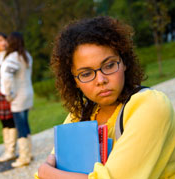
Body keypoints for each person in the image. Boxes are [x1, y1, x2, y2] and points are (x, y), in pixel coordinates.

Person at [37, 16, 175, 178]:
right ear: (74, 80)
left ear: (124, 62)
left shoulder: (151, 105)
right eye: (86, 73)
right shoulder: (80, 114)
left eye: (109, 65)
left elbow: (46, 172)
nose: (101, 80)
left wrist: (46, 172)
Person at [0, 32, 34, 167]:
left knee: (20, 126)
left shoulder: (12, 58)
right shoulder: (26, 55)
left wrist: (9, 94)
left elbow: (7, 79)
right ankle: (28, 153)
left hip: (18, 97)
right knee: (25, 124)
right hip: (28, 94)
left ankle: (24, 157)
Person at [0, 32, 17, 162]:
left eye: (5, 39)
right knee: (3, 121)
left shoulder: (12, 56)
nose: (3, 43)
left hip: (9, 92)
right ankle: (7, 149)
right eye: (0, 40)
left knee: (11, 120)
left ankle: (11, 150)